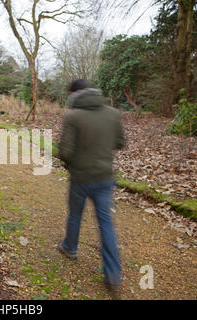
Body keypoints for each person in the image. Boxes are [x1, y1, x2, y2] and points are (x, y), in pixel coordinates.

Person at [57, 79, 125, 292]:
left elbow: (65, 151)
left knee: (75, 214)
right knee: (105, 222)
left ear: (74, 94)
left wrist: (69, 161)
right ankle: (113, 274)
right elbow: (120, 143)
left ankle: (70, 247)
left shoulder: (73, 116)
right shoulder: (112, 113)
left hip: (80, 177)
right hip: (105, 177)